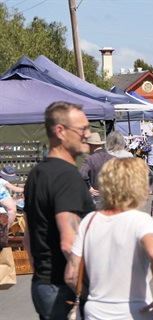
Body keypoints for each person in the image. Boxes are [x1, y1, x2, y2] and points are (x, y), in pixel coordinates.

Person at [64, 157, 153, 319]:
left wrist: (93, 297)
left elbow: (71, 275)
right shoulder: (140, 221)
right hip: (134, 311)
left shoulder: (89, 221)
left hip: (96, 312)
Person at [23, 101, 96, 319]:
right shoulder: (67, 177)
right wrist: (89, 287)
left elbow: (28, 236)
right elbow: (68, 242)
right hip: (64, 287)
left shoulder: (37, 173)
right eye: (82, 129)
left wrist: (40, 271)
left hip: (44, 283)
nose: (88, 134)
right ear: (60, 131)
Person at [80, 132, 114, 208]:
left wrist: (89, 188)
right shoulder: (113, 158)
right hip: (113, 198)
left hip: (97, 199)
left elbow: (82, 175)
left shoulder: (89, 159)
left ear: (90, 145)